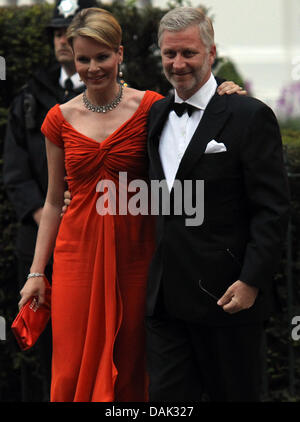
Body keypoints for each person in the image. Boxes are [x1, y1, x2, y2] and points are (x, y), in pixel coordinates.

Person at [18, 6, 247, 402]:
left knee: (132, 365)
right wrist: (37, 272)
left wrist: (223, 90)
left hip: (137, 253)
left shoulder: (152, 108)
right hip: (76, 257)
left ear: (119, 54)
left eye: (102, 56)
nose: (93, 67)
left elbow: (195, 121)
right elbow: (54, 201)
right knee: (71, 364)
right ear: (73, 58)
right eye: (83, 58)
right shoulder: (58, 118)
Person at [145, 7, 290, 402]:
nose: (178, 64)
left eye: (188, 53)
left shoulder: (249, 115)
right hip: (166, 301)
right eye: (169, 54)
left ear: (211, 53)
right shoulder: (155, 114)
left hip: (228, 298)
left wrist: (251, 281)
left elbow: (272, 209)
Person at [3, 0, 97, 401]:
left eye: (69, 31)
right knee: (45, 343)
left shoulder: (119, 93)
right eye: (57, 32)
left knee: (95, 335)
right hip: (42, 240)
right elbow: (15, 168)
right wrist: (45, 216)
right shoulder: (29, 95)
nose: (62, 38)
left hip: (94, 236)